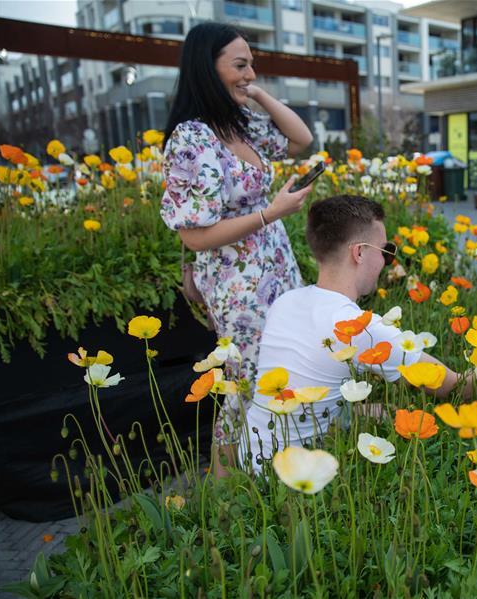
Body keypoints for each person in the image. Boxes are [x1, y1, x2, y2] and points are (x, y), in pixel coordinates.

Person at [243, 195, 477, 468]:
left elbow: (306, 390)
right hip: (291, 478)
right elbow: (459, 390)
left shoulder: (285, 302)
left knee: (381, 413)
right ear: (359, 253)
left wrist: (360, 412)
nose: (388, 262)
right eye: (386, 250)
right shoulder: (359, 328)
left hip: (250, 462)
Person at [160, 23, 314, 475]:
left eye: (252, 65)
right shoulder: (192, 138)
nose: (249, 73)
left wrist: (256, 93)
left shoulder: (237, 123)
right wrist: (272, 212)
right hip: (235, 280)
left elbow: (301, 139)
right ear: (207, 69)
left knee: (283, 362)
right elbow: (194, 234)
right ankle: (227, 489)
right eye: (240, 65)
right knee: (246, 377)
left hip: (276, 265)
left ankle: (276, 462)